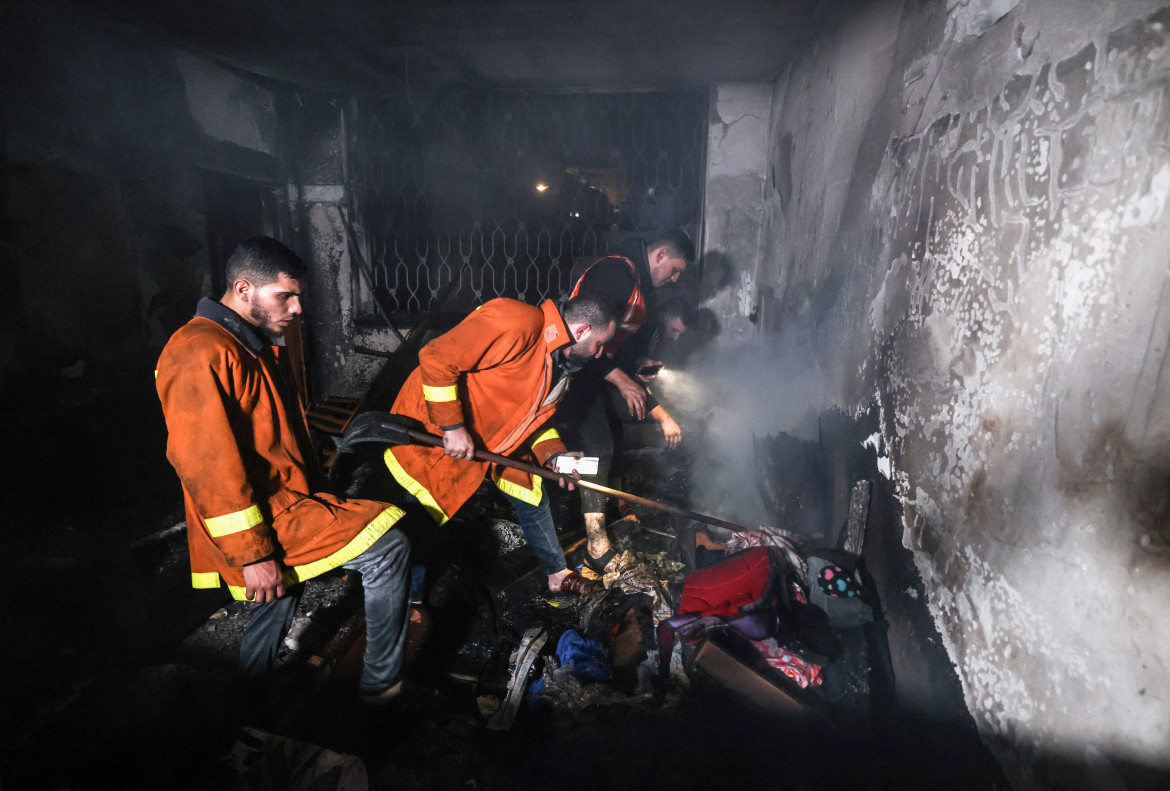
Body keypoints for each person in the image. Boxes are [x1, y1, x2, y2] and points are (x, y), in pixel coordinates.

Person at [155, 236, 414, 705]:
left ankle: (249, 692)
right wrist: (254, 554)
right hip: (259, 516)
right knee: (389, 547)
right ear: (243, 288)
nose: (296, 308)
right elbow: (206, 465)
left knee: (283, 587)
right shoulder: (199, 351)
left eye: (299, 297)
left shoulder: (247, 344)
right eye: (284, 296)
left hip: (283, 501)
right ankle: (380, 692)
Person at [384, 295, 616, 595]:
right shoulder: (516, 320)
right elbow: (437, 357)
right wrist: (452, 426)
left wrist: (555, 457)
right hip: (436, 433)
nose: (599, 355)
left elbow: (535, 422)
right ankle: (407, 600)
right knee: (423, 513)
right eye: (599, 344)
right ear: (582, 330)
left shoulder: (561, 370)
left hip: (496, 444)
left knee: (533, 499)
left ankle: (556, 573)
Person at [558, 229, 695, 575]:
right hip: (573, 376)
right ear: (661, 254)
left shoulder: (638, 285)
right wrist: (622, 380)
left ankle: (598, 518)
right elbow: (588, 336)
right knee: (598, 447)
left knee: (612, 443)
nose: (675, 279)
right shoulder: (615, 274)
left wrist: (634, 367)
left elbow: (617, 349)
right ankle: (594, 545)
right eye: (675, 269)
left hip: (593, 378)